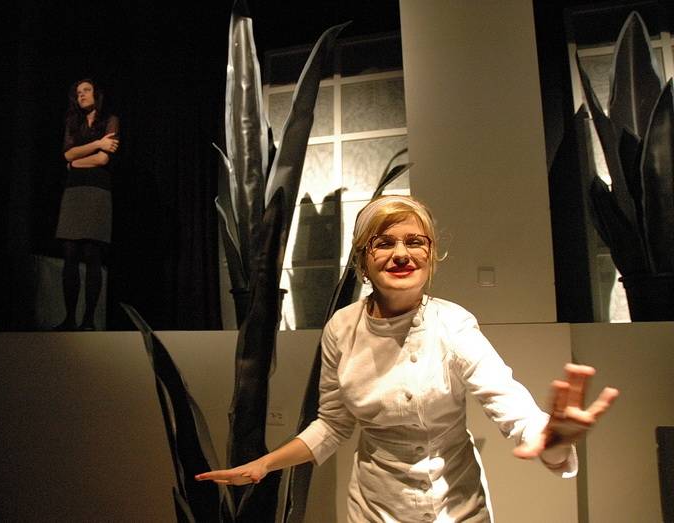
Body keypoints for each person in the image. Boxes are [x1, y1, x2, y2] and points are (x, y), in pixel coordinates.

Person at [196, 195, 619, 521]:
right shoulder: (342, 327)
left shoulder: (452, 323)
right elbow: (333, 424)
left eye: (415, 242)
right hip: (374, 507)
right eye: (384, 243)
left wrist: (551, 441)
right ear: (363, 261)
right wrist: (265, 465)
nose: (401, 254)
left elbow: (506, 401)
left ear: (430, 256)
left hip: (455, 507)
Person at [54, 78, 119, 331]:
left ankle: (89, 320)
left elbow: (102, 160)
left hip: (97, 191)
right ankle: (69, 318)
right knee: (69, 253)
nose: (81, 95)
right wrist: (97, 144)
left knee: (93, 254)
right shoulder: (73, 123)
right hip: (74, 192)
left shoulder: (110, 120)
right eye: (78, 92)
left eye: (86, 90)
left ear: (96, 94)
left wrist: (74, 162)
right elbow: (67, 154)